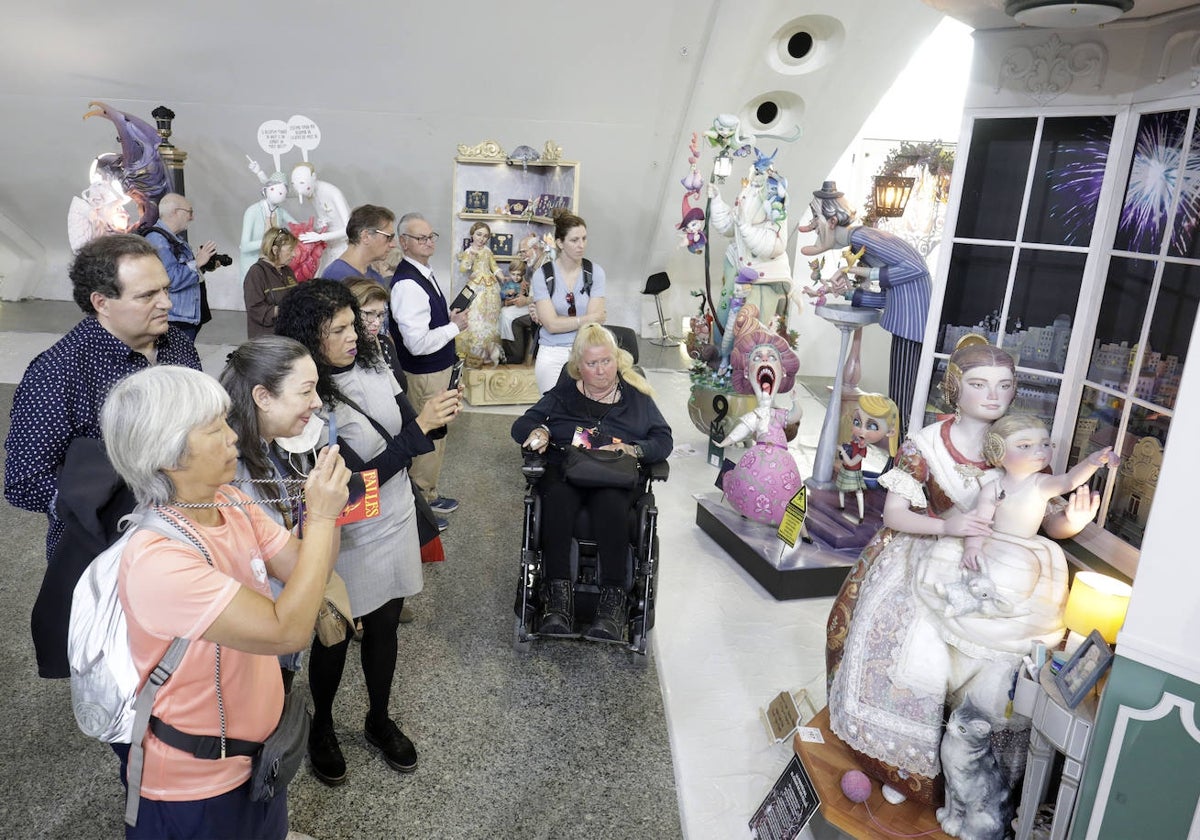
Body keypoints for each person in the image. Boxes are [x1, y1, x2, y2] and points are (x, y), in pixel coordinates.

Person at [826, 341, 1101, 805]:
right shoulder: (927, 444)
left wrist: (1070, 522)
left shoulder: (1021, 441)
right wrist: (947, 525)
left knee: (1003, 663)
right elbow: (894, 513)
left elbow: (1043, 515)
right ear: (956, 389)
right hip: (926, 546)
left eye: (1004, 386)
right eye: (978, 385)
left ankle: (973, 781)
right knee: (915, 645)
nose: (992, 396)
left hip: (1002, 566)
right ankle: (902, 762)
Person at [101, 364, 350, 840]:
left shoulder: (229, 502)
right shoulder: (158, 559)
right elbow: (288, 630)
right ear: (169, 455)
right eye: (213, 427)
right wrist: (319, 516)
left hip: (257, 757)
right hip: (195, 785)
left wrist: (329, 511)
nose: (232, 434)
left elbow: (307, 572)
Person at [275, 279, 462, 786]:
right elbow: (354, 485)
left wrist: (436, 420)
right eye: (338, 329)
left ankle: (378, 719)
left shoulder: (376, 361)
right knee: (334, 636)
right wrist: (417, 433)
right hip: (347, 534)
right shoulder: (309, 399)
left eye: (353, 323)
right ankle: (323, 729)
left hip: (396, 517)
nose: (354, 335)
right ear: (310, 338)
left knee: (385, 628)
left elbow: (407, 427)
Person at [4, 234, 201, 563]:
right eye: (148, 295)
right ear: (101, 302)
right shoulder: (58, 372)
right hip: (106, 553)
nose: (167, 303)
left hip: (187, 531)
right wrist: (109, 509)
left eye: (165, 289)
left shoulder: (177, 344)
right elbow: (25, 480)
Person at [512, 325, 673, 642]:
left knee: (611, 505)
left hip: (614, 474)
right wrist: (540, 433)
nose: (601, 370)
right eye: (591, 364)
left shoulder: (636, 398)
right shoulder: (564, 394)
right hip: (567, 469)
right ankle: (558, 602)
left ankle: (612, 605)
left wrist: (633, 449)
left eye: (606, 361)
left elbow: (663, 439)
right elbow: (524, 423)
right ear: (577, 366)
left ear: (616, 360)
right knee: (557, 498)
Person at [219, 336, 328, 692]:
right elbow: (301, 570)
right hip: (253, 651)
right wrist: (326, 511)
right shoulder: (232, 472)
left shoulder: (258, 451)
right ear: (263, 397)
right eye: (306, 391)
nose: (317, 402)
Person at [800, 181, 932, 440]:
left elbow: (917, 268)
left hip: (913, 324)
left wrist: (863, 271)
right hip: (904, 321)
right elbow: (886, 296)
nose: (813, 226)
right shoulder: (858, 244)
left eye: (815, 219)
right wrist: (848, 292)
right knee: (901, 398)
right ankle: (896, 459)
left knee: (903, 401)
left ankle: (900, 460)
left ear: (830, 221)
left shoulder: (862, 237)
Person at [389, 212, 468, 518]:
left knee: (437, 432)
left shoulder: (422, 272)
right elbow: (417, 343)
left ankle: (427, 493)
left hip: (436, 368)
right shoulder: (408, 284)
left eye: (431, 236)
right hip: (424, 373)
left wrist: (446, 320)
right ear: (403, 242)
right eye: (420, 238)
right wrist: (454, 327)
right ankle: (422, 504)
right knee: (429, 433)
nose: (428, 242)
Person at [714, 326, 803, 527]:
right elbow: (741, 431)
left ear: (783, 370)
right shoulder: (756, 415)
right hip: (757, 459)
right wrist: (724, 443)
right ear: (746, 373)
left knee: (785, 489)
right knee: (753, 486)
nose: (764, 360)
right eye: (756, 358)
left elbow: (795, 415)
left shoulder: (777, 414)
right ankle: (750, 508)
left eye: (772, 357)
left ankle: (789, 521)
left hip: (783, 461)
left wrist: (797, 403)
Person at [531, 211, 607, 394]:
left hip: (587, 350)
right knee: (551, 410)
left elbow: (594, 324)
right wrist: (584, 319)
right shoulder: (543, 275)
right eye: (574, 240)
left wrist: (562, 320)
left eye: (584, 239)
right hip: (552, 350)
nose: (581, 245)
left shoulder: (595, 273)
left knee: (586, 412)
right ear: (560, 243)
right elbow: (551, 325)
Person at [144, 193, 218, 342]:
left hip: (185, 318)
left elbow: (182, 271)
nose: (192, 217)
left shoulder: (173, 239)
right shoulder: (157, 240)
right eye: (189, 212)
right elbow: (169, 279)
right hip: (175, 319)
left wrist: (203, 266)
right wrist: (197, 262)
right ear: (175, 212)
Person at [835, 393, 900, 522]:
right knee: (843, 490)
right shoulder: (857, 443)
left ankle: (861, 515)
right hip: (849, 472)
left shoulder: (864, 449)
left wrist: (843, 452)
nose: (862, 431)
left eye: (872, 426)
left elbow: (852, 461)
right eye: (857, 422)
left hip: (853, 472)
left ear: (891, 431)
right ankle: (843, 507)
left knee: (857, 492)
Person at [455, 221, 503, 367]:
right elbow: (463, 269)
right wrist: (470, 258)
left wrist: (500, 275)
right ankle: (475, 353)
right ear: (472, 234)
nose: (482, 239)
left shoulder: (487, 251)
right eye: (479, 234)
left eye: (485, 236)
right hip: (476, 286)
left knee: (490, 317)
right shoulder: (469, 251)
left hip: (490, 286)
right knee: (475, 315)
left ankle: (488, 352)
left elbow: (493, 265)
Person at [290, 162, 351, 273]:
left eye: (303, 183)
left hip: (343, 248)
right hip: (328, 247)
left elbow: (350, 229)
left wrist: (320, 237)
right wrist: (320, 227)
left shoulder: (333, 193)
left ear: (313, 177)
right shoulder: (312, 194)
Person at [243, 226, 299, 338]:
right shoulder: (256, 273)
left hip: (288, 336)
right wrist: (283, 309)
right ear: (275, 250)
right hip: (267, 341)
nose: (294, 254)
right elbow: (255, 310)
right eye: (290, 250)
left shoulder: (287, 270)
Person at [239, 170, 297, 279]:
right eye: (274, 189)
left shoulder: (279, 212)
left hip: (272, 265)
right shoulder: (252, 211)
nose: (279, 195)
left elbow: (297, 227)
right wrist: (269, 242)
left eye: (282, 193)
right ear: (266, 190)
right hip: (253, 266)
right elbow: (245, 246)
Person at [319, 204, 395, 284]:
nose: (393, 244)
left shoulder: (376, 277)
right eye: (388, 237)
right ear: (366, 236)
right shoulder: (335, 277)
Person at [500, 234, 545, 364]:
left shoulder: (547, 265)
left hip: (543, 309)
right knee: (504, 312)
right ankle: (508, 352)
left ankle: (514, 355)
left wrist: (526, 300)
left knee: (508, 315)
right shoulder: (535, 265)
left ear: (535, 248)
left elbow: (549, 295)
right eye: (520, 252)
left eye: (524, 251)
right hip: (533, 304)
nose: (522, 255)